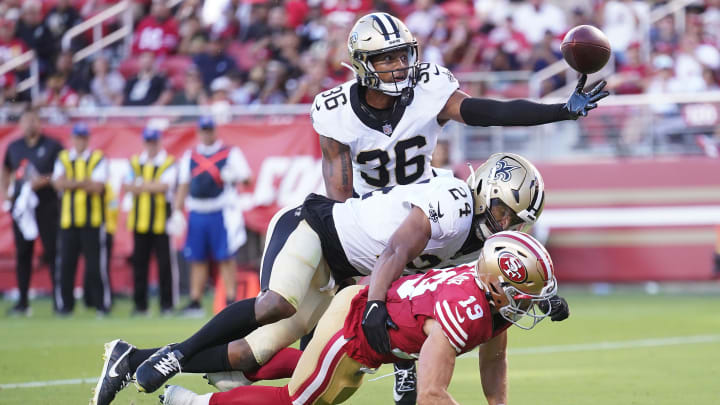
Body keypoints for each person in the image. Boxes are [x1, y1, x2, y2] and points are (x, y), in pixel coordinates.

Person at [90, 153, 565, 405]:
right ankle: (175, 355)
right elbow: (397, 250)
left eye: (515, 218)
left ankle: (131, 358)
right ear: (487, 192)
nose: (506, 224)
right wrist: (376, 304)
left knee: (258, 354)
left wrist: (546, 298)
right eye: (504, 209)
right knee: (276, 308)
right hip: (317, 230)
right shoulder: (456, 204)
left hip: (351, 273)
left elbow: (461, 290)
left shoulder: (479, 243)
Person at [312, 11, 594, 404]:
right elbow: (339, 195)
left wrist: (559, 111)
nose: (397, 68)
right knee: (322, 339)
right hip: (372, 219)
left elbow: (489, 112)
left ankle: (408, 368)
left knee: (448, 294)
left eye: (401, 56)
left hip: (422, 206)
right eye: (386, 58)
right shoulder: (339, 109)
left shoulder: (428, 93)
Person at [160, 231, 558, 405]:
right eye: (522, 296)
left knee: (321, 381)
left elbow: (494, 357)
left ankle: (241, 376)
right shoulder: (466, 309)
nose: (525, 305)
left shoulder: (489, 300)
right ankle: (194, 402)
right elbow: (430, 395)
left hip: (369, 320)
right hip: (353, 330)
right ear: (495, 283)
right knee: (298, 401)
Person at [172, 116, 251, 316]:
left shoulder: (230, 153)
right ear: (199, 132)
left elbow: (248, 179)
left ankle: (231, 299)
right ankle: (195, 301)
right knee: (196, 258)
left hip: (221, 212)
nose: (206, 134)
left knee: (226, 257)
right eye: (203, 130)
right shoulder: (190, 156)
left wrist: (235, 176)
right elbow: (183, 185)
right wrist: (177, 211)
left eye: (209, 130)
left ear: (215, 131)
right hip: (197, 212)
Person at [0, 109, 63, 316]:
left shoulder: (52, 146)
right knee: (23, 254)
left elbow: (62, 171)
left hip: (46, 204)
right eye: (26, 121)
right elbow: (6, 169)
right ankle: (23, 301)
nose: (30, 125)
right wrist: (5, 193)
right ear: (20, 124)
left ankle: (59, 300)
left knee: (52, 252)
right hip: (22, 206)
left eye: (33, 120)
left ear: (39, 123)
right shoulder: (15, 146)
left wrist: (43, 180)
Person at [52, 122, 111, 315]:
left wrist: (71, 183)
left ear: (88, 139)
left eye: (83, 137)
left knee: (95, 267)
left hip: (92, 221)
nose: (80, 141)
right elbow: (57, 184)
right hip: (68, 221)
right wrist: (84, 182)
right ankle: (65, 306)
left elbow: (98, 187)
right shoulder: (63, 157)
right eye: (77, 137)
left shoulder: (97, 158)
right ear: (72, 139)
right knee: (67, 265)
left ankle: (101, 304)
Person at [124, 127, 179, 316]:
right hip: (140, 221)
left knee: (165, 265)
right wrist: (150, 186)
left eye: (154, 142)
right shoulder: (135, 162)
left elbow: (164, 186)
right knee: (140, 264)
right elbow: (127, 186)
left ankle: (167, 304)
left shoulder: (168, 162)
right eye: (148, 142)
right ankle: (140, 305)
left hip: (161, 222)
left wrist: (140, 185)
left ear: (159, 142)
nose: (151, 146)